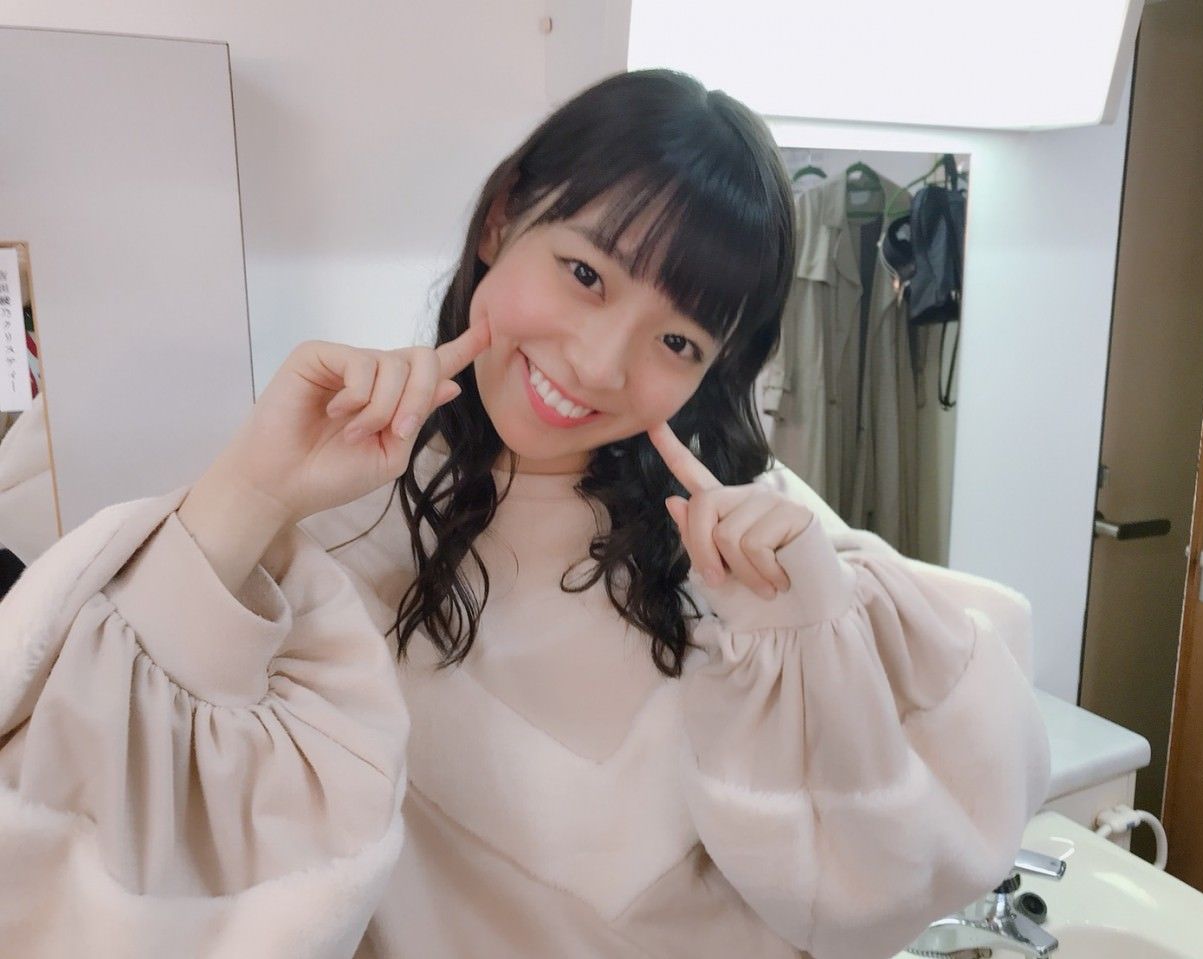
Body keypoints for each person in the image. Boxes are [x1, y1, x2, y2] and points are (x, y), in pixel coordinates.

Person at [0, 68, 1050, 958]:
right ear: (504, 216)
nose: (598, 363)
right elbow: (84, 866)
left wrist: (803, 631)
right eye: (585, 273)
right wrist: (252, 492)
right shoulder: (327, 529)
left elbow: (883, 883)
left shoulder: (753, 537)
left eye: (677, 341)